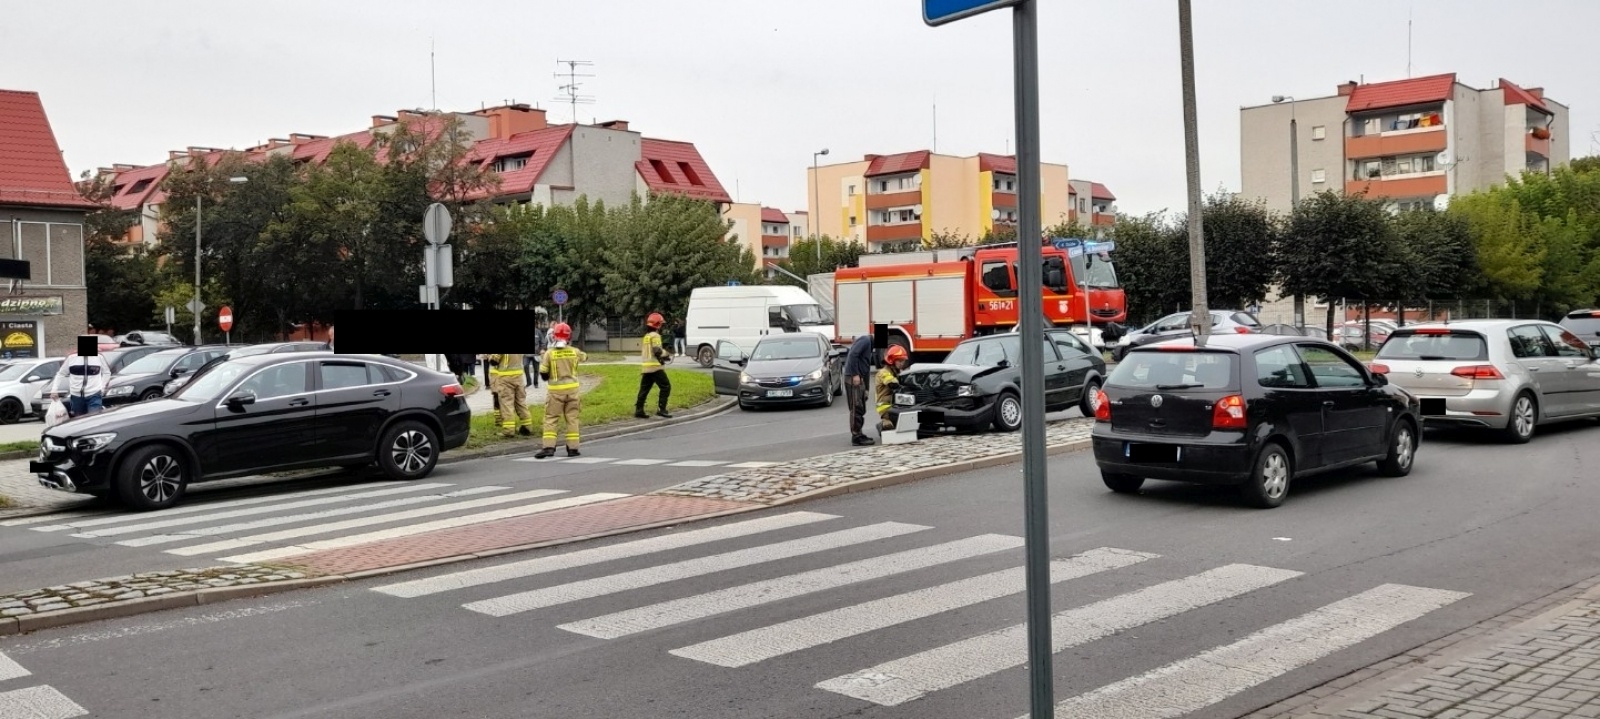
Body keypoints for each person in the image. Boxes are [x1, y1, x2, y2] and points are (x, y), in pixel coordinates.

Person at [533, 323, 585, 459]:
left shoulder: (550, 353)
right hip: (573, 391)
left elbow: (543, 374)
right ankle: (573, 449)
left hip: (555, 392)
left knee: (551, 418)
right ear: (569, 336)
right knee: (572, 419)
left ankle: (549, 448)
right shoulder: (575, 351)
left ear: (554, 336)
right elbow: (584, 357)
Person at [634, 312, 673, 419]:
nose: (661, 326)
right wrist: (666, 354)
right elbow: (657, 351)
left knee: (644, 389)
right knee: (666, 387)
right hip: (655, 367)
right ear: (658, 325)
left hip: (646, 367)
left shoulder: (646, 336)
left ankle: (639, 410)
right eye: (661, 324)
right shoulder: (655, 335)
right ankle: (662, 409)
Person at [51, 350, 111, 418]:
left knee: (93, 419)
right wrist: (54, 390)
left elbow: (107, 373)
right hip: (76, 396)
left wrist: (101, 388)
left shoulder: (99, 357)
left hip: (94, 394)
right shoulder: (72, 357)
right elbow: (61, 373)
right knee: (80, 421)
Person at [485, 352, 532, 438]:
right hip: (519, 377)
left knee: (507, 404)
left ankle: (508, 431)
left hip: (506, 378)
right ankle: (527, 427)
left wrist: (489, 356)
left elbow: (494, 361)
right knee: (521, 402)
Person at [843, 333, 876, 446]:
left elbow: (866, 367)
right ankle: (856, 436)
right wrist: (855, 374)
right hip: (853, 379)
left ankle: (859, 433)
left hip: (859, 378)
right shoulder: (865, 340)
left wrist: (866, 388)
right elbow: (853, 355)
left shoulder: (870, 345)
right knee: (856, 408)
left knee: (861, 408)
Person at [875, 345, 910, 432]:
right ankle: (884, 423)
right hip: (886, 407)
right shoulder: (883, 372)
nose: (902, 363)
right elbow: (892, 383)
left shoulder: (897, 371)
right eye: (900, 360)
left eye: (903, 361)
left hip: (896, 403)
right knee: (890, 428)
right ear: (892, 360)